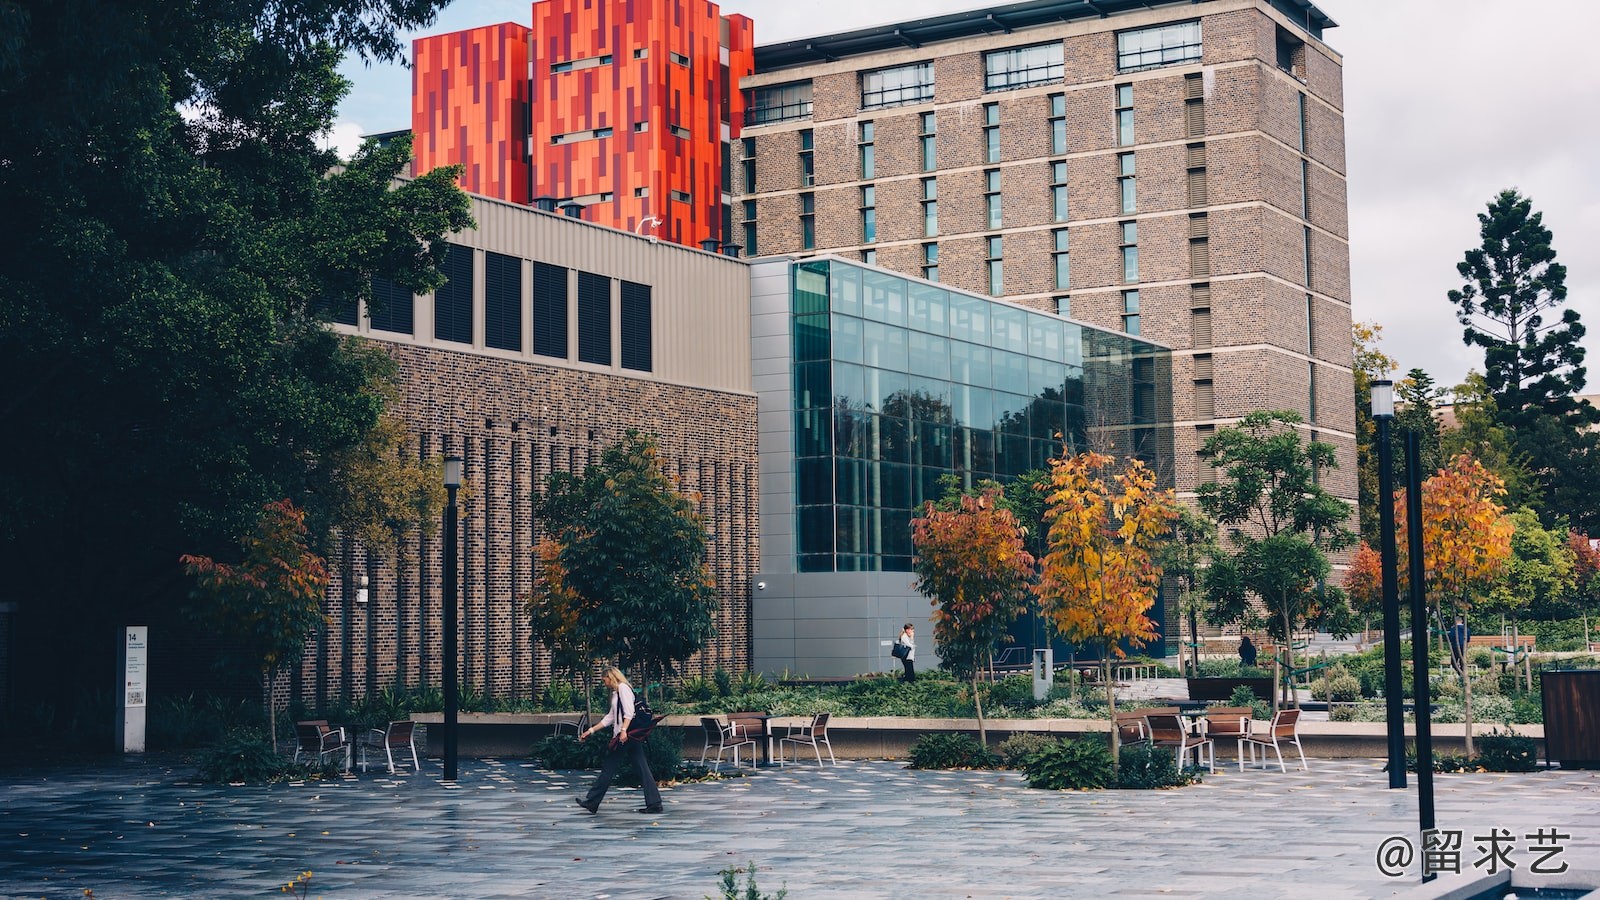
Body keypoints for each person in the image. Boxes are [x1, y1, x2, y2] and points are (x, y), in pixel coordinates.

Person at [575, 666, 662, 815]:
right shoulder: (617, 693)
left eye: (605, 680)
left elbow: (629, 712)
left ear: (611, 677)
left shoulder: (623, 689)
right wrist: (590, 731)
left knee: (609, 768)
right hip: (627, 736)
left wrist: (623, 731)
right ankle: (654, 803)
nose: (605, 684)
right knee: (642, 767)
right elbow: (610, 717)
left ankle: (592, 802)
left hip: (625, 736)